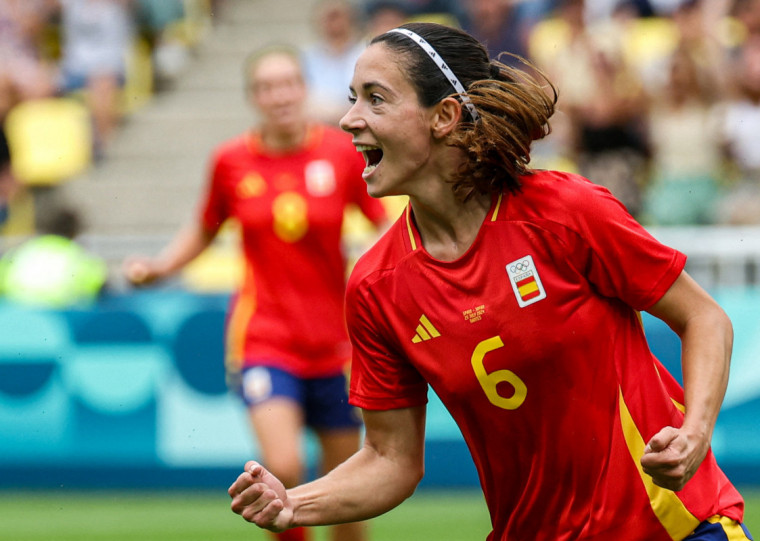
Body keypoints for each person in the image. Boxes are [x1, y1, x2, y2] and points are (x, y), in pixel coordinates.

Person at [228, 22, 753, 541]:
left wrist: (694, 435)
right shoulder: (375, 286)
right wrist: (293, 503)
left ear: (444, 116)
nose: (349, 119)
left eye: (376, 99)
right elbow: (390, 459)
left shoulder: (564, 211)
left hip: (677, 527)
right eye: (352, 98)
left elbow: (704, 317)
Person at [124, 45, 387, 541]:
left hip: (338, 344)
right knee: (281, 469)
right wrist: (160, 267)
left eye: (287, 83)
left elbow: (381, 225)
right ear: (253, 97)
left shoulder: (339, 152)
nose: (279, 95)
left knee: (347, 494)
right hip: (265, 340)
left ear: (304, 89)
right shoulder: (231, 161)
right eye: (267, 87)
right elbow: (204, 228)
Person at [0, 206, 107, 307]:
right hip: (60, 315)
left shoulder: (20, 252)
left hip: (15, 313)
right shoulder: (81, 258)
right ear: (75, 231)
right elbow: (100, 289)